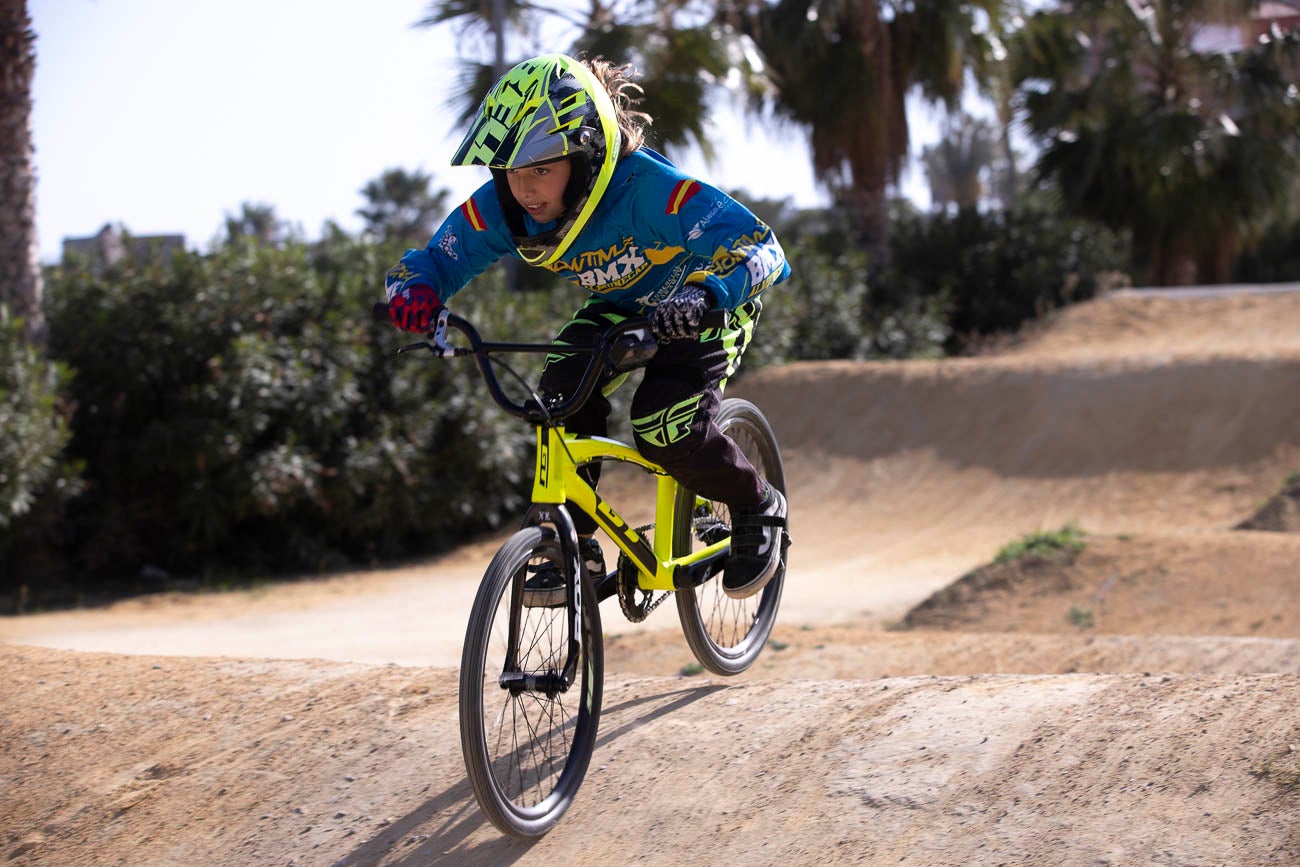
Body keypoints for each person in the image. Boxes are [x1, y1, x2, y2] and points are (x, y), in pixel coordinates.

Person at [383, 53, 789, 602]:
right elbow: (434, 260)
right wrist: (415, 292)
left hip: (706, 303)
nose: (524, 189)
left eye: (540, 169)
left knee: (663, 424)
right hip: (621, 306)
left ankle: (755, 504)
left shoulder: (647, 189)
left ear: (587, 153)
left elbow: (762, 246)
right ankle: (576, 544)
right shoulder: (505, 208)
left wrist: (706, 295)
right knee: (556, 401)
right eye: (510, 172)